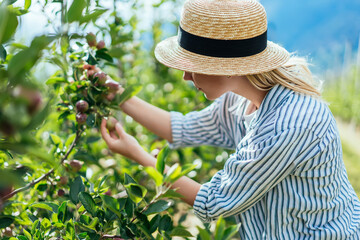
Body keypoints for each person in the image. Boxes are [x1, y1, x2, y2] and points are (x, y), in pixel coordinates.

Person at [100, 0, 360, 238]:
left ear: (228, 68)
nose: (186, 77)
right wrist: (119, 96)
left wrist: (140, 156)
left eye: (194, 66)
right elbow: (180, 128)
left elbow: (214, 202)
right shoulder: (238, 97)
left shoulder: (288, 123)